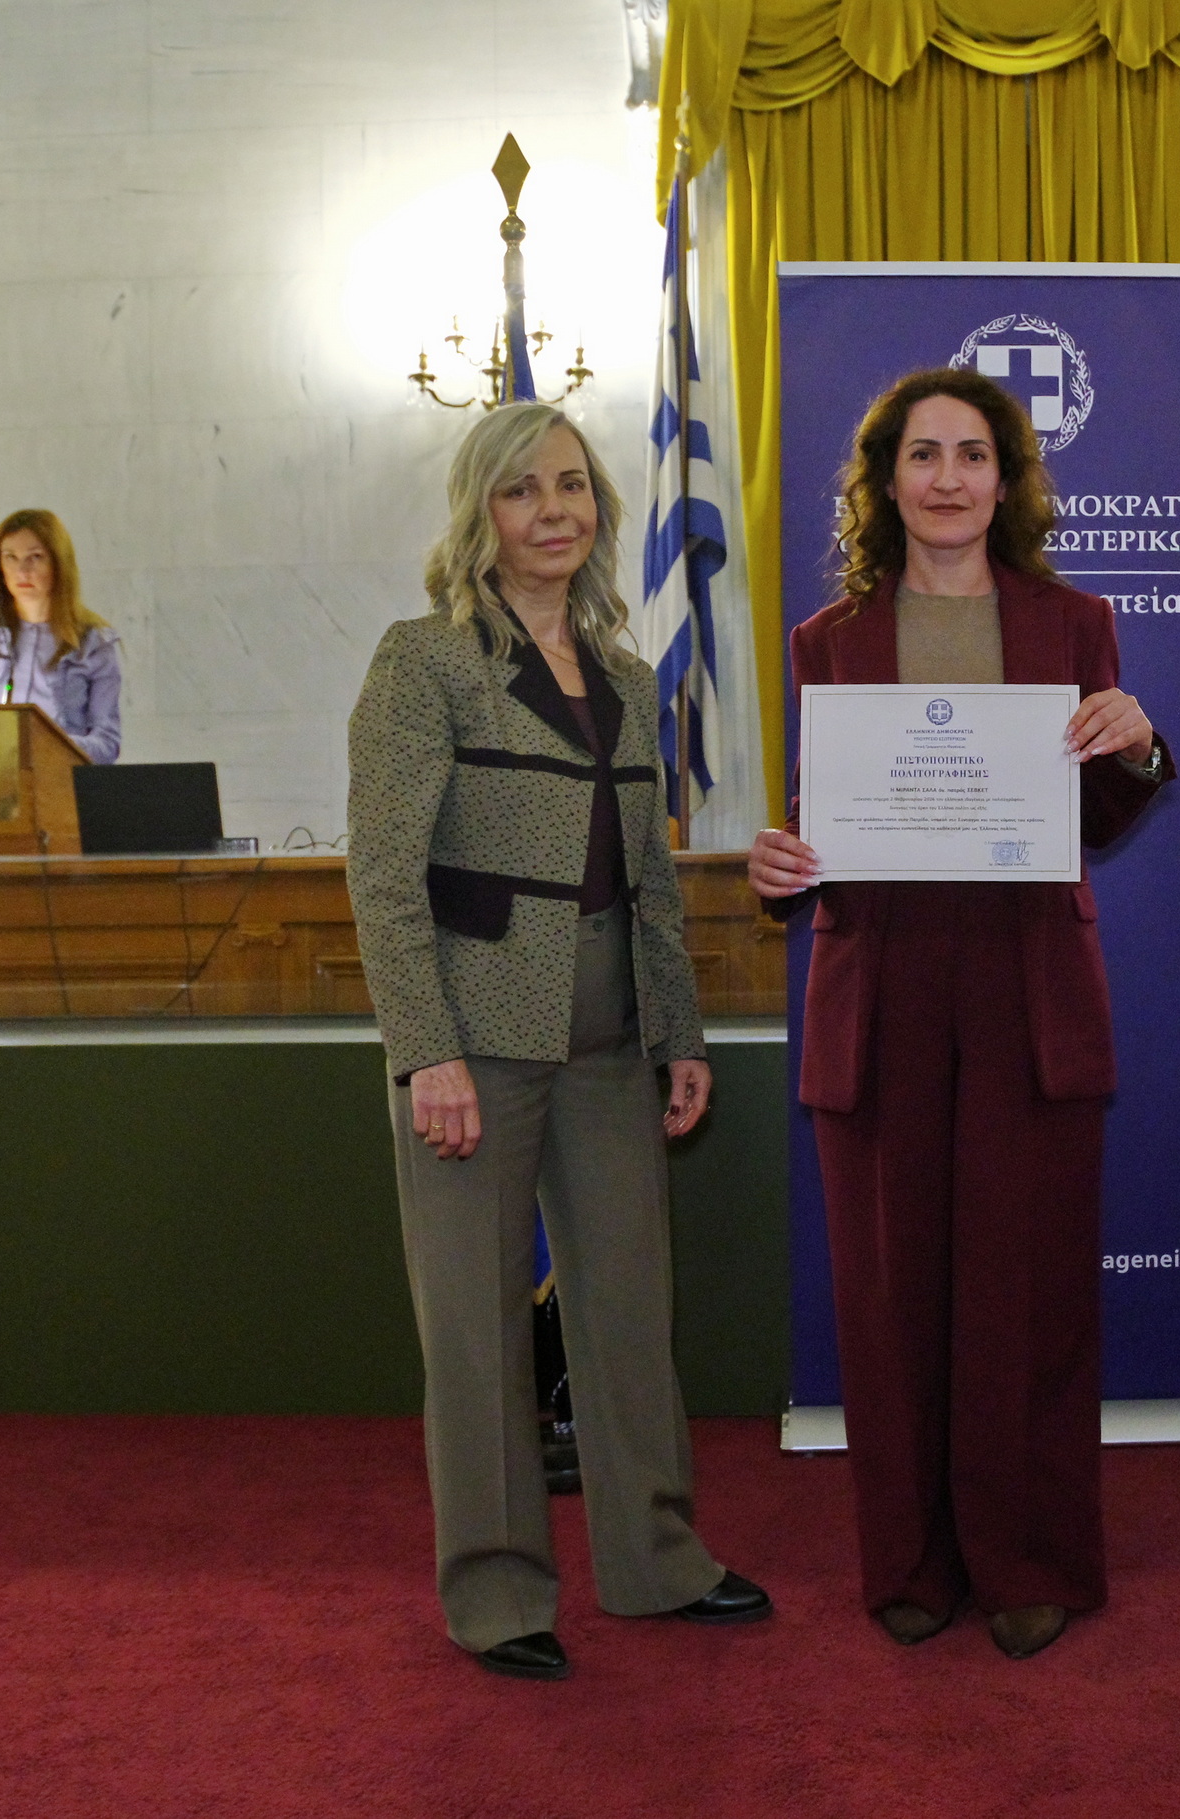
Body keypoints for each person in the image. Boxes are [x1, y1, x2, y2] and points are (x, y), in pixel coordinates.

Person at [747, 369, 1173, 1660]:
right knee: (890, 1300)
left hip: (1023, 986)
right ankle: (912, 1558)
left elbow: (1096, 814)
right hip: (878, 988)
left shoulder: (1074, 622)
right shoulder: (826, 639)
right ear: (885, 482)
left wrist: (1136, 745)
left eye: (972, 454)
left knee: (1025, 1293)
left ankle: (1027, 1557)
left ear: (1005, 480)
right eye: (922, 454)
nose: (947, 478)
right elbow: (820, 824)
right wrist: (779, 867)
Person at [346, 401, 771, 1682]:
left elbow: (649, 878)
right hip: (473, 1038)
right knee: (476, 1332)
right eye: (524, 488)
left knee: (629, 1309)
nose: (554, 511)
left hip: (608, 1038)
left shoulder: (629, 679)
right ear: (480, 510)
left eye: (573, 486)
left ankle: (655, 1562)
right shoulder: (424, 660)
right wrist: (424, 1050)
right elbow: (383, 876)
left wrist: (676, 1030)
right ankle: (495, 1592)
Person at [0, 508, 122, 762]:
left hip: (61, 777)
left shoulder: (93, 642)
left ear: (59, 564)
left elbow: (107, 745)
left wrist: (44, 744)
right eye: (11, 557)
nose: (22, 571)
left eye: (35, 557)